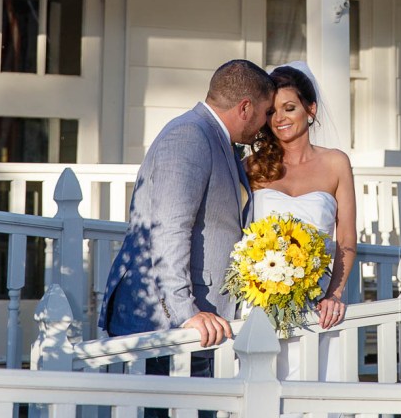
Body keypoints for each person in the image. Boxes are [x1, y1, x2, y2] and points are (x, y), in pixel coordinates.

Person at [99, 59, 274, 413]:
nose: (267, 122)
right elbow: (168, 226)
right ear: (245, 107)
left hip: (201, 324)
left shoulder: (215, 139)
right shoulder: (190, 136)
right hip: (168, 324)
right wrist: (184, 311)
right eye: (266, 112)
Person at [246, 63, 357, 383]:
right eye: (272, 111)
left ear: (311, 109)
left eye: (289, 107)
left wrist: (334, 294)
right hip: (262, 303)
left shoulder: (336, 162)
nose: (279, 118)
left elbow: (347, 234)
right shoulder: (250, 167)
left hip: (318, 302)